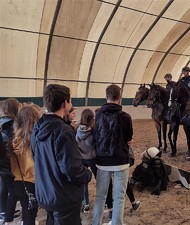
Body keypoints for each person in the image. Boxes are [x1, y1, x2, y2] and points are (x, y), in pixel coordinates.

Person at [30, 84, 92, 225]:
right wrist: (86, 174)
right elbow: (71, 169)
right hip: (63, 197)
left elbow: (35, 157)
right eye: (70, 101)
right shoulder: (63, 131)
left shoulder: (37, 127)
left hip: (47, 193)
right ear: (65, 103)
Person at [92, 84, 133, 225]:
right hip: (121, 161)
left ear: (106, 97)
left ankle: (95, 223)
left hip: (102, 162)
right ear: (119, 97)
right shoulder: (126, 117)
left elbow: (95, 135)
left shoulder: (98, 115)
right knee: (119, 198)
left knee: (100, 197)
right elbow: (129, 139)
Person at [9, 105, 41, 225]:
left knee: (27, 211)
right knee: (30, 214)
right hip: (33, 182)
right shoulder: (36, 141)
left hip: (19, 182)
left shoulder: (14, 140)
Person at [0, 98, 20, 224]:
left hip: (1, 164)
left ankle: (3, 211)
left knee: (2, 187)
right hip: (10, 162)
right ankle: (8, 215)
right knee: (14, 190)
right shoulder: (14, 124)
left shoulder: (1, 122)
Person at [75, 108, 97, 213]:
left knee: (84, 182)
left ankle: (86, 204)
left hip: (81, 159)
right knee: (100, 180)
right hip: (92, 158)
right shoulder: (94, 130)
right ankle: (105, 200)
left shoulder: (76, 129)